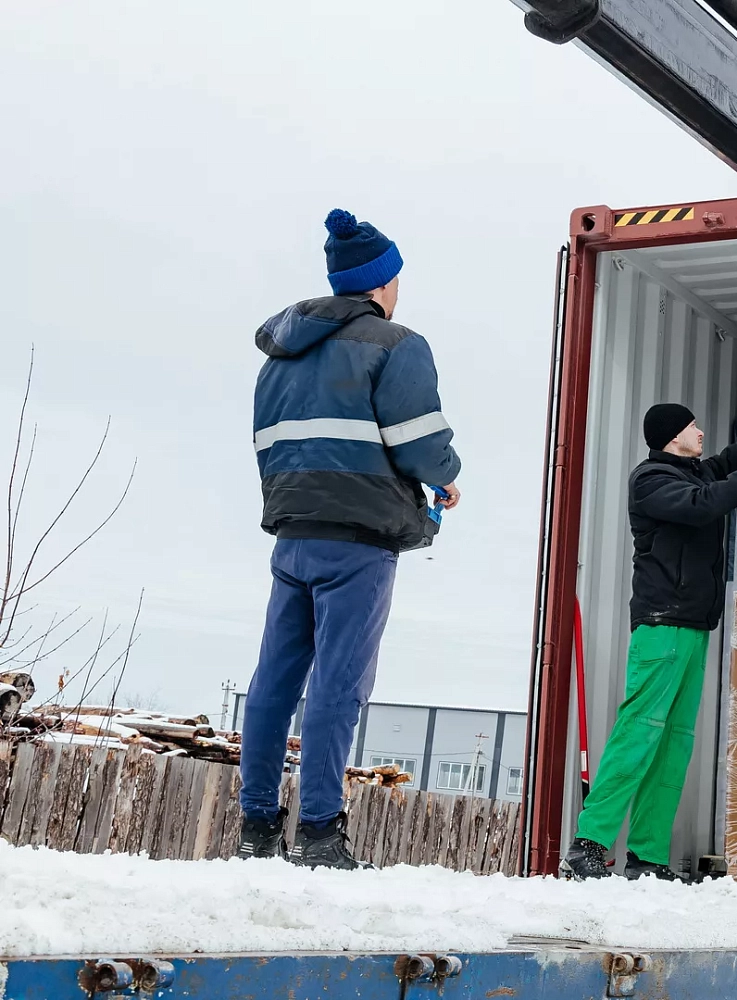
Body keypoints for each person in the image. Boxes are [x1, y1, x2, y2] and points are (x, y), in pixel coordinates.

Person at [237, 209, 462, 870]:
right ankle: (319, 833)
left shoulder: (280, 356)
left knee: (275, 680)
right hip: (358, 542)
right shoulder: (395, 344)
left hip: (292, 533)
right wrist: (446, 480)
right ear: (380, 283)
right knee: (340, 686)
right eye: (396, 278)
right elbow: (421, 443)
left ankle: (255, 826)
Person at [564, 402, 737, 881]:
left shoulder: (693, 472)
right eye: (693, 427)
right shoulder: (651, 480)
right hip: (661, 626)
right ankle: (589, 844)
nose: (702, 432)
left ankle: (646, 855)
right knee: (639, 733)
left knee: (673, 745)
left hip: (692, 627)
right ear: (672, 436)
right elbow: (702, 506)